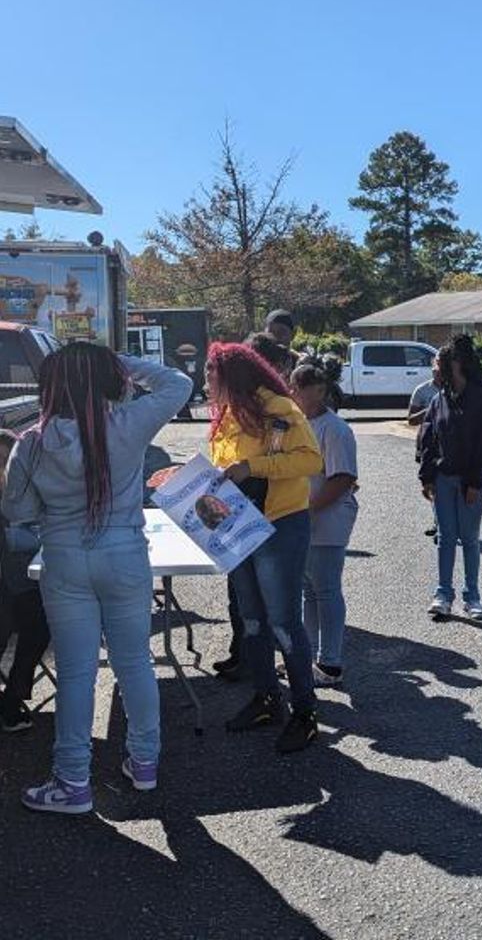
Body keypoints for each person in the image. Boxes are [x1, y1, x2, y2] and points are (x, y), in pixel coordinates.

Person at [3, 344, 192, 814]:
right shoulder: (127, 424)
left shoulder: (32, 441)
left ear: (50, 386)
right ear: (108, 379)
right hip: (126, 554)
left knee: (76, 674)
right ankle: (144, 764)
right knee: (135, 664)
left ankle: (72, 782)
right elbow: (179, 384)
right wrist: (117, 362)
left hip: (64, 560)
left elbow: (17, 514)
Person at [207, 342, 323, 753]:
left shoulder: (279, 409)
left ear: (232, 377)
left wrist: (252, 468)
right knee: (252, 621)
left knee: (282, 623)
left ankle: (305, 713)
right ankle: (267, 698)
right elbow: (225, 469)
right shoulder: (226, 416)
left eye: (211, 373)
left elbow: (311, 461)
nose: (206, 381)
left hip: (279, 526)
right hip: (239, 529)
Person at [419, 335, 482, 618]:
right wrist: (426, 476)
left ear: (457, 364)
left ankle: (472, 597)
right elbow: (429, 438)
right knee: (445, 537)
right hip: (443, 479)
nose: (436, 369)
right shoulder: (440, 399)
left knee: (469, 538)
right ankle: (443, 594)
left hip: (470, 482)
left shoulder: (481, 400)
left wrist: (476, 482)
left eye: (440, 363)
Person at [291, 363, 359, 687]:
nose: (295, 395)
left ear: (320, 391)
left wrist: (307, 509)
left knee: (326, 589)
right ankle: (309, 657)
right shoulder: (300, 423)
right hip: (303, 519)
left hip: (326, 521)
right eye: (293, 388)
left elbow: (343, 477)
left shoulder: (334, 428)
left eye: (301, 389)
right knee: (308, 591)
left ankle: (330, 662)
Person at [0, 430, 51, 733]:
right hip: (10, 588)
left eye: (8, 463)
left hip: (22, 584)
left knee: (38, 625)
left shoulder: (28, 498)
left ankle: (12, 699)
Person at [408, 357, 442, 538]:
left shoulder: (454, 390)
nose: (438, 373)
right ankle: (438, 522)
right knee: (431, 483)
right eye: (435, 370)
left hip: (447, 446)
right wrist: (431, 409)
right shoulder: (422, 391)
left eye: (441, 370)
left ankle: (447, 524)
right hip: (427, 443)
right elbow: (411, 419)